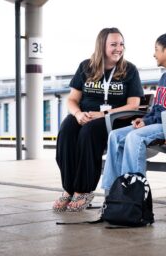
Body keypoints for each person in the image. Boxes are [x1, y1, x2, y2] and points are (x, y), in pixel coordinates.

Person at [53, 27, 144, 212]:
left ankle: (83, 190)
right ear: (101, 46)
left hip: (115, 119)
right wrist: (78, 114)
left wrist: (101, 115)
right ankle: (69, 189)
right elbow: (72, 100)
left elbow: (133, 106)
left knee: (89, 131)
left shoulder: (129, 70)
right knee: (67, 129)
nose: (119, 48)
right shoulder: (86, 66)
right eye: (113, 44)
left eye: (121, 44)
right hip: (86, 116)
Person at [101, 32, 166, 192]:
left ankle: (133, 194)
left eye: (156, 49)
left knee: (134, 137)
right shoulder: (165, 77)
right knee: (115, 136)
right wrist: (144, 120)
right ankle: (113, 193)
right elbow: (158, 109)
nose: (154, 54)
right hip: (159, 124)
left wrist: (148, 122)